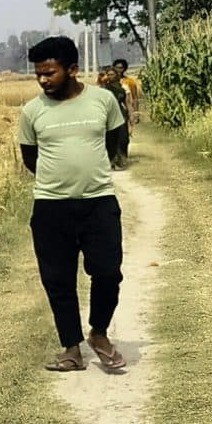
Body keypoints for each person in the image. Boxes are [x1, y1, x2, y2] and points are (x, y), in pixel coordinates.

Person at [20, 36, 132, 372]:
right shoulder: (32, 111)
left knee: (109, 272)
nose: (43, 80)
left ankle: (99, 334)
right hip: (51, 208)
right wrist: (59, 181)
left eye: (49, 72)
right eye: (38, 74)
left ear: (72, 70)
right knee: (57, 279)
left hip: (99, 203)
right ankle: (71, 348)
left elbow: (114, 140)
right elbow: (31, 158)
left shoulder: (102, 101)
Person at [98, 58, 142, 168]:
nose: (111, 76)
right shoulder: (103, 89)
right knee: (110, 139)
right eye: (109, 74)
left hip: (121, 115)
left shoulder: (124, 87)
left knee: (123, 138)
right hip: (107, 116)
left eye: (113, 74)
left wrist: (133, 115)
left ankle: (122, 158)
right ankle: (112, 160)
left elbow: (128, 102)